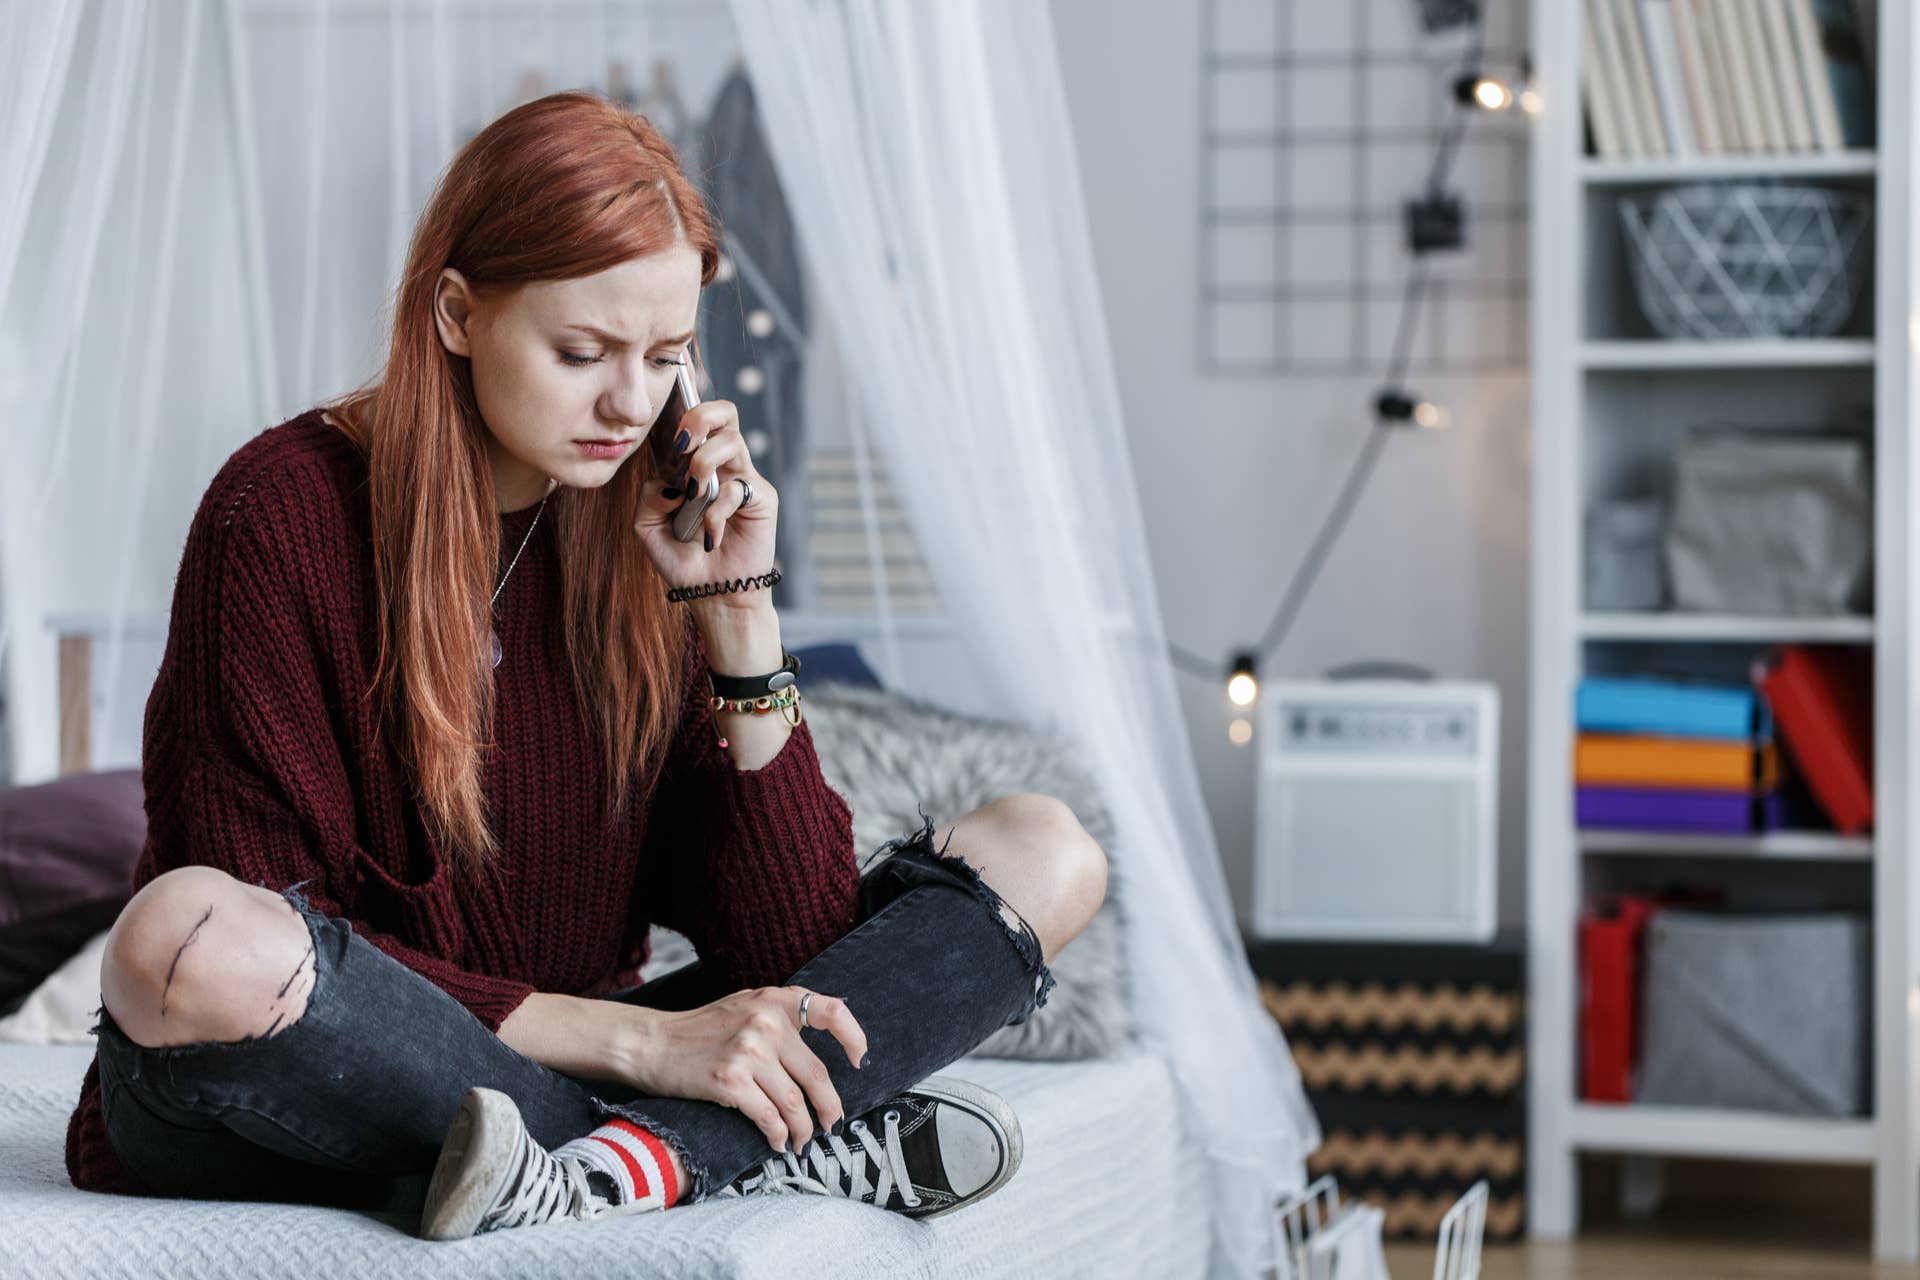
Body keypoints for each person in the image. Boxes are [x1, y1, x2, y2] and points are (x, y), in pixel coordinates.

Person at [63, 90, 1108, 1240]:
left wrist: (737, 614)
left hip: (549, 1079)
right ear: (458, 315)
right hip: (305, 1071)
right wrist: (651, 1044)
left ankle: (604, 1167)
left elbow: (794, 947)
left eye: (665, 356)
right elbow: (278, 947)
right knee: (184, 936)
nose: (628, 401)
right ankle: (705, 1146)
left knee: (1046, 851)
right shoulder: (282, 510)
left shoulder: (651, 531)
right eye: (581, 350)